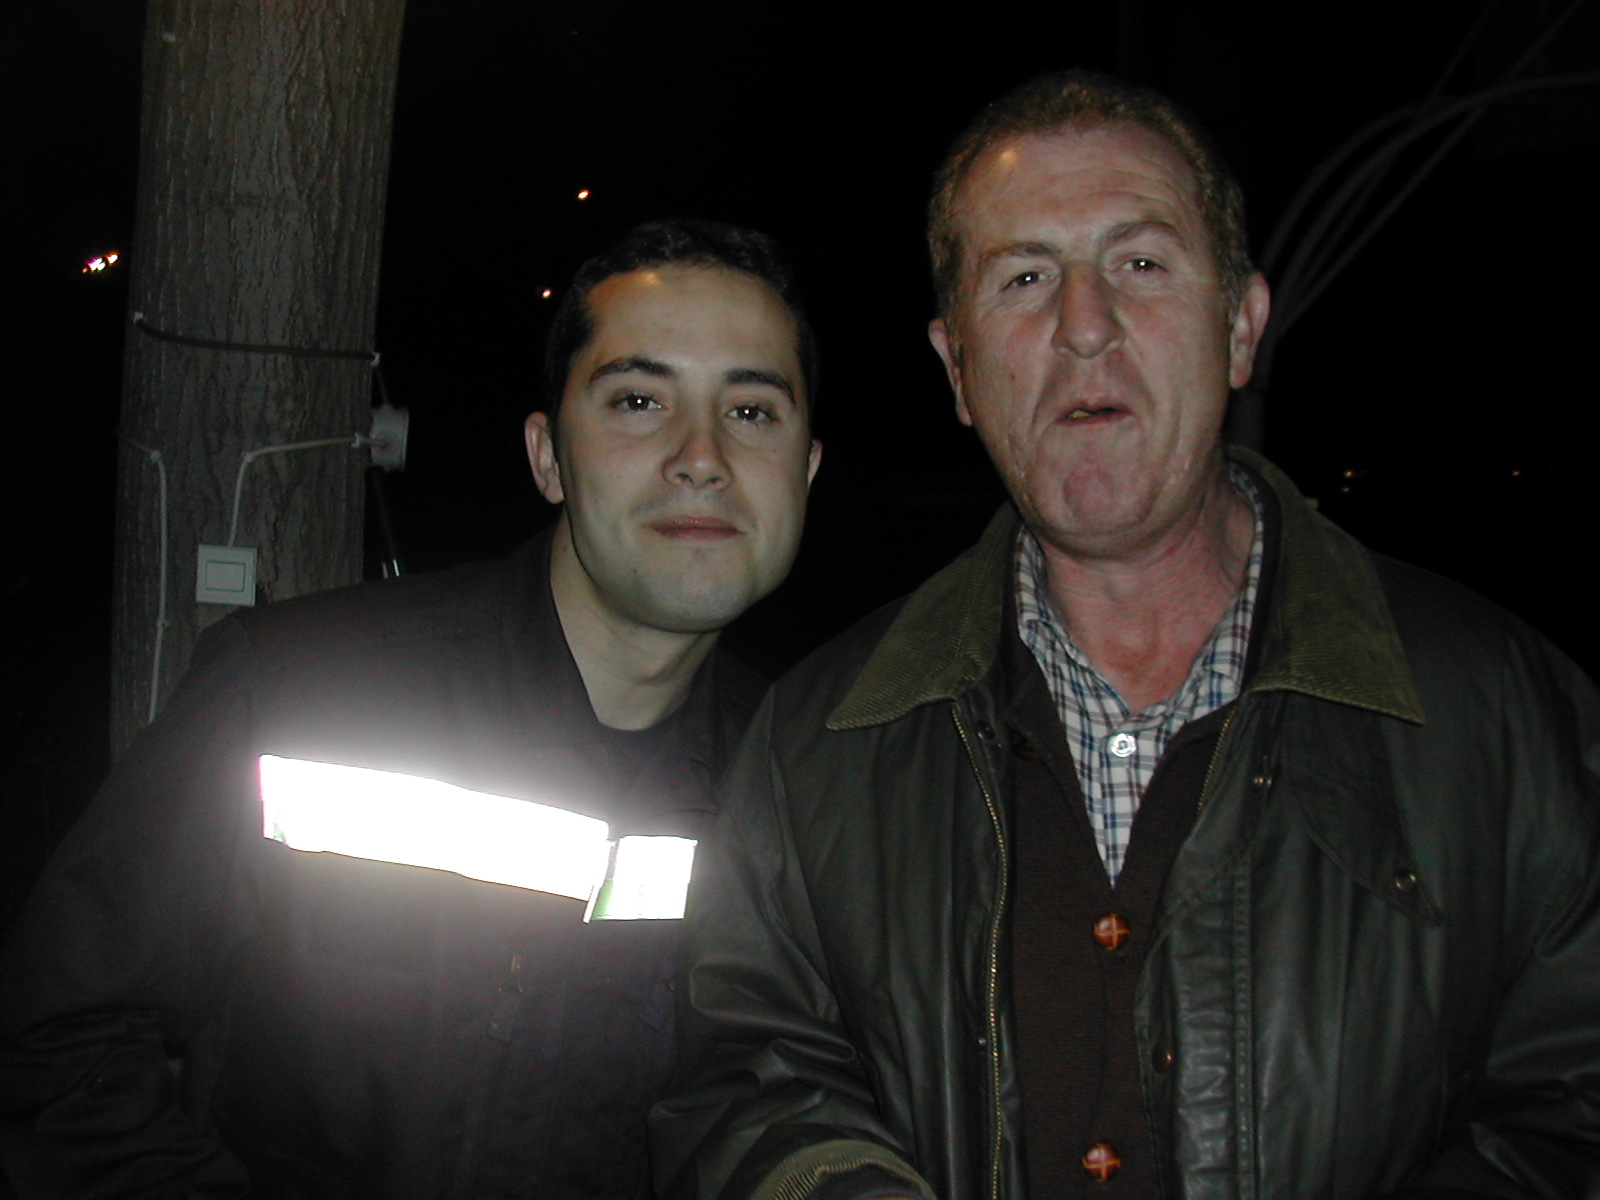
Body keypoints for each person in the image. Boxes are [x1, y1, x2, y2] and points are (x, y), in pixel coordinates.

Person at [653, 72, 1600, 1200]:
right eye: (1024, 278)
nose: (1083, 326)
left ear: (1240, 326)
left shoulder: (1510, 715)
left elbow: (1574, 1098)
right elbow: (743, 1080)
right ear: (958, 369)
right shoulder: (813, 744)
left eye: (1139, 265)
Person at [0, 218, 822, 1199]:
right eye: (639, 400)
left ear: (806, 473)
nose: (701, 456)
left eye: (754, 412)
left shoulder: (805, 787)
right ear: (548, 457)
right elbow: (55, 1042)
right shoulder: (301, 693)